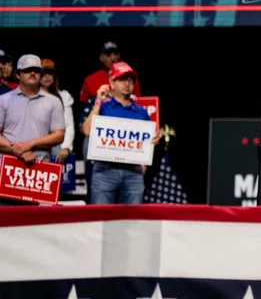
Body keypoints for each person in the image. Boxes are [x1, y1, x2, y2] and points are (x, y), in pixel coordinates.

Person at [81, 61, 158, 205]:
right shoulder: (102, 107)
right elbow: (86, 130)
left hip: (133, 173)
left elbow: (148, 140)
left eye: (131, 80)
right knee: (101, 216)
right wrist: (98, 102)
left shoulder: (141, 112)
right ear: (112, 82)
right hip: (105, 171)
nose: (127, 84)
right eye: (123, 79)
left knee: (133, 217)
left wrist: (152, 143)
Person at [0, 55, 66, 166]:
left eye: (37, 70)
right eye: (27, 70)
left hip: (40, 166)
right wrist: (20, 151)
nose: (32, 73)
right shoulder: (3, 100)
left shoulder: (53, 101)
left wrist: (31, 144)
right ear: (18, 75)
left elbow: (59, 135)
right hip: (9, 165)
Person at [39, 59, 75, 165]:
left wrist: (66, 147)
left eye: (50, 73)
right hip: (37, 145)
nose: (47, 77)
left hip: (57, 145)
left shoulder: (64, 96)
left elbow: (69, 124)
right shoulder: (31, 97)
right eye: (43, 73)